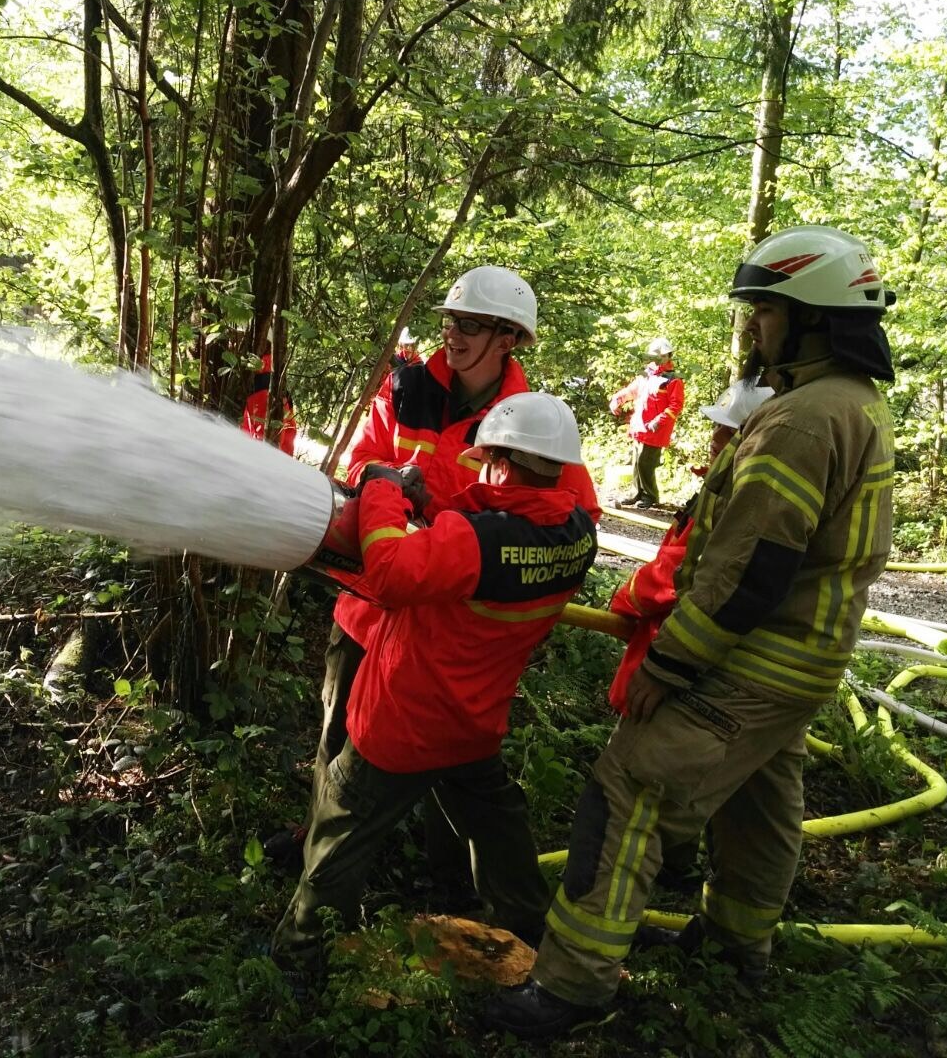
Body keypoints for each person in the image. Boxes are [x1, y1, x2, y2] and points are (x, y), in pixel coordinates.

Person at [482, 224, 896, 1039]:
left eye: (766, 312)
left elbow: (749, 569)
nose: (755, 328)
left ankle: (572, 985)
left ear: (811, 318)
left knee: (630, 787)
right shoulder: (856, 405)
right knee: (759, 802)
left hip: (754, 659)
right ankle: (737, 946)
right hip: (804, 662)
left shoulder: (802, 420)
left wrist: (669, 666)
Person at [278, 267, 601, 890]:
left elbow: (569, 517)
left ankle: (443, 883)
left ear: (508, 338)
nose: (452, 334)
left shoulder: (528, 423)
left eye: (470, 325)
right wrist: (390, 486)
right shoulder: (405, 389)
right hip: (368, 607)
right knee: (338, 737)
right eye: (450, 320)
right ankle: (316, 842)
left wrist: (490, 563)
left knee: (446, 760)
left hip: (447, 635)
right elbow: (361, 461)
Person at [270, 394, 599, 973]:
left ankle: (300, 959)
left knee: (340, 828)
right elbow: (495, 539)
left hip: (404, 721)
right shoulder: (575, 535)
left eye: (487, 461)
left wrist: (382, 490)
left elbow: (392, 572)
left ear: (501, 464)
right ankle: (527, 930)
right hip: (474, 724)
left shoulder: (476, 541)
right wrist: (431, 503)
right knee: (497, 827)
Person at [606, 378, 775, 715]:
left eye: (729, 432)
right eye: (717, 427)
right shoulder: (722, 487)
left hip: (676, 649)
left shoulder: (737, 499)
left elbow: (680, 568)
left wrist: (627, 598)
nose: (716, 437)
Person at [610, 338, 685, 509]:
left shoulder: (673, 380)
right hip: (640, 426)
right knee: (637, 461)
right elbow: (632, 391)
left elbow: (676, 405)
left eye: (661, 356)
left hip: (656, 429)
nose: (658, 359)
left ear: (668, 356)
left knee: (646, 463)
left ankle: (650, 495)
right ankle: (636, 493)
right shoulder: (647, 374)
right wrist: (617, 399)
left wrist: (659, 420)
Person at [242, 352, 298, 456]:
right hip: (273, 389)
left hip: (262, 388)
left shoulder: (258, 395)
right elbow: (289, 436)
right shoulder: (285, 398)